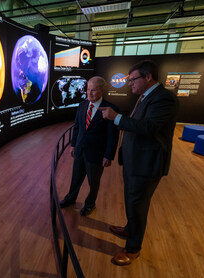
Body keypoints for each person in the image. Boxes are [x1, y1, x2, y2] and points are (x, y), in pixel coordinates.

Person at [99, 60, 179, 266]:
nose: (130, 84)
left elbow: (148, 127)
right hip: (136, 161)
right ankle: (130, 228)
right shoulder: (146, 96)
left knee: (138, 205)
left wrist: (116, 118)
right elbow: (138, 124)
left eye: (133, 79)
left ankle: (133, 249)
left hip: (147, 164)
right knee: (132, 201)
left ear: (148, 77)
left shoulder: (164, 98)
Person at [60, 76, 119, 216]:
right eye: (87, 89)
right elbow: (77, 128)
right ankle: (70, 198)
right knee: (75, 178)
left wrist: (108, 155)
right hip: (80, 150)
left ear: (102, 90)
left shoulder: (111, 109)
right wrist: (73, 145)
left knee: (93, 182)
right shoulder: (82, 105)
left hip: (97, 154)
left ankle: (90, 204)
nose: (89, 93)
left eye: (93, 90)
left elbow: (113, 135)